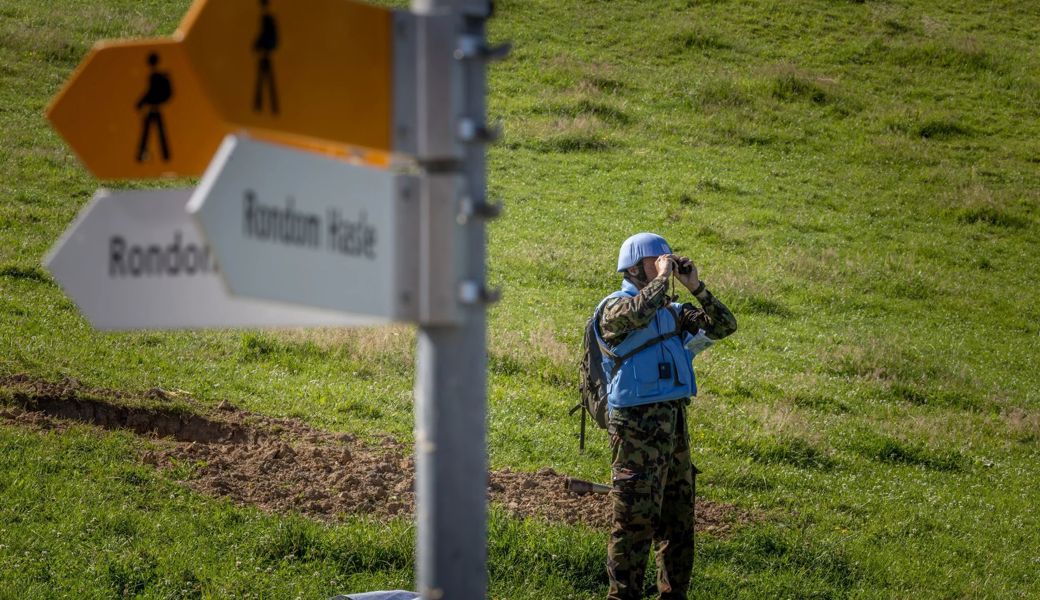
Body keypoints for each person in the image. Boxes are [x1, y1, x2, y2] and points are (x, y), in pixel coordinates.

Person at [595, 232, 737, 600]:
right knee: (633, 522)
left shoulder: (673, 313)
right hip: (635, 428)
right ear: (633, 268)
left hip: (674, 424)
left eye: (667, 261)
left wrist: (696, 287)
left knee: (679, 521)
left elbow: (723, 326)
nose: (665, 267)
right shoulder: (614, 307)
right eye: (655, 261)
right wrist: (660, 281)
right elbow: (634, 314)